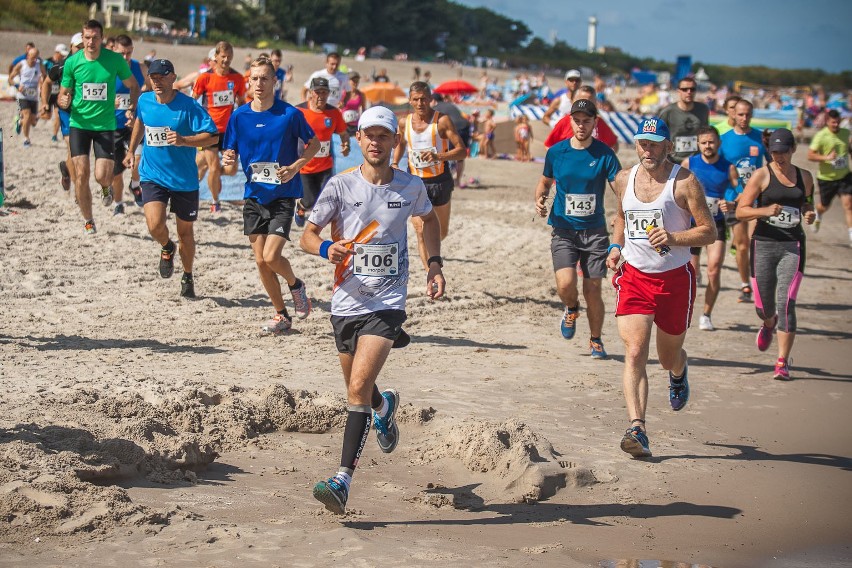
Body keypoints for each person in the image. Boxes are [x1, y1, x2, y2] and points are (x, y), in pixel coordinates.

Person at [299, 105, 446, 515]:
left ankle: (342, 480)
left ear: (393, 141)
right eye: (370, 135)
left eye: (384, 136)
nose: (376, 142)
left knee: (358, 385)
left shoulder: (410, 187)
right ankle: (385, 408)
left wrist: (434, 264)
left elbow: (429, 221)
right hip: (345, 301)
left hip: (388, 302)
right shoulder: (339, 187)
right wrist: (329, 248)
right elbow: (307, 237)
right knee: (358, 389)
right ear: (359, 139)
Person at [607, 117, 716, 457]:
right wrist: (615, 247)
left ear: (669, 146)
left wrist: (673, 237)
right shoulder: (623, 179)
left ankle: (680, 372)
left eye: (654, 143)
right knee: (636, 351)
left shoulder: (685, 182)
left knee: (668, 358)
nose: (647, 149)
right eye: (642, 142)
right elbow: (622, 218)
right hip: (636, 276)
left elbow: (709, 231)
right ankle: (637, 428)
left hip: (674, 280)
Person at [221, 56, 320, 333]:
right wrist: (228, 157)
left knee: (271, 256)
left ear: (275, 82)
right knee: (260, 261)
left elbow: (314, 144)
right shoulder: (239, 116)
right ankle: (281, 315)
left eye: (265, 78)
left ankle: (296, 285)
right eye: (255, 78)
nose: (259, 84)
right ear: (248, 81)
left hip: (283, 194)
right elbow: (230, 151)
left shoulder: (289, 114)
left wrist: (296, 166)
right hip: (254, 195)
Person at [124, 59, 218, 298]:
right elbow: (140, 122)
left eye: (162, 77)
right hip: (152, 174)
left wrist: (185, 140)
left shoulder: (188, 106)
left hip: (184, 180)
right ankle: (167, 247)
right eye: (154, 78)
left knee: (185, 234)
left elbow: (212, 137)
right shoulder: (145, 100)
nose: (157, 82)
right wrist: (131, 150)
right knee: (155, 225)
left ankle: (187, 274)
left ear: (173, 78)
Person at [534, 99, 621, 358]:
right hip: (563, 229)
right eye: (577, 120)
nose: (581, 125)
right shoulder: (556, 152)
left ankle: (595, 340)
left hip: (595, 232)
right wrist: (539, 199)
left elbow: (620, 189)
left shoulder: (604, 154)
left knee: (593, 289)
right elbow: (545, 182)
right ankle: (571, 308)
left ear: (595, 122)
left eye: (586, 120)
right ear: (570, 121)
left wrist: (622, 212)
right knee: (565, 284)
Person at [735, 128, 816, 380]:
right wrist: (764, 211)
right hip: (764, 244)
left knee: (787, 302)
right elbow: (741, 211)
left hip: (793, 245)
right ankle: (768, 322)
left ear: (793, 150)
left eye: (782, 152)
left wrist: (809, 212)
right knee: (764, 306)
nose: (778, 157)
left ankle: (782, 361)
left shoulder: (805, 176)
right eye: (773, 152)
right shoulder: (762, 175)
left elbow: (807, 202)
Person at [58, 20, 140, 235]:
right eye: (87, 37)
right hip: (80, 124)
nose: (91, 42)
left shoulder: (114, 60)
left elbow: (134, 85)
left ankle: (106, 187)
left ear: (102, 39)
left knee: (102, 175)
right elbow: (63, 92)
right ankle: (88, 220)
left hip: (105, 125)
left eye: (95, 37)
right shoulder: (72, 62)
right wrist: (62, 101)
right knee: (82, 173)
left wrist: (132, 106)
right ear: (82, 38)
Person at [392, 81, 466, 268]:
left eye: (424, 99)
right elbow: (401, 144)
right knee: (420, 230)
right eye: (415, 99)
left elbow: (462, 151)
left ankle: (433, 254)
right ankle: (430, 273)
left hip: (440, 181)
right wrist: (394, 162)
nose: (420, 103)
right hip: (415, 182)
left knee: (441, 232)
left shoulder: (442, 121)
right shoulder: (404, 122)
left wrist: (438, 156)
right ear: (409, 100)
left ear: (431, 99)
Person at [683, 126, 739, 331]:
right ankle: (686, 310)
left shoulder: (728, 167)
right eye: (704, 142)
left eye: (711, 142)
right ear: (698, 144)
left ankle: (706, 314)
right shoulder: (689, 163)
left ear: (718, 143)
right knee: (691, 272)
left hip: (716, 224)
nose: (708, 146)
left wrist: (732, 202)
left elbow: (739, 190)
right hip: (691, 227)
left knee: (714, 271)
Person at [720, 99, 766, 303]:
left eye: (748, 114)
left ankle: (758, 284)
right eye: (740, 114)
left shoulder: (760, 138)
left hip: (756, 199)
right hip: (733, 200)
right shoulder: (724, 140)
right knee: (742, 245)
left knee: (756, 243)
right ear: (733, 115)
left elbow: (770, 166)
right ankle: (745, 284)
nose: (744, 118)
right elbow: (718, 169)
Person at [192, 41, 246, 213]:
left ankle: (209, 173)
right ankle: (215, 201)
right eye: (223, 56)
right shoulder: (205, 78)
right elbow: (193, 102)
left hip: (229, 131)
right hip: (209, 130)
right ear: (215, 57)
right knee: (214, 166)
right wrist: (195, 122)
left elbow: (242, 102)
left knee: (230, 169)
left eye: (229, 57)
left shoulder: (237, 79)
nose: (226, 60)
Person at [294, 77, 350, 227]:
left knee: (326, 198)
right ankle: (301, 206)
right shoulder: (299, 111)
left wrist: (346, 145)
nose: (321, 96)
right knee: (310, 201)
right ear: (311, 93)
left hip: (325, 165)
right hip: (304, 165)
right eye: (318, 92)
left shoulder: (334, 113)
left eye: (324, 92)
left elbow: (344, 134)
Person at [108, 35, 147, 215]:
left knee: (137, 162)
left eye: (129, 53)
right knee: (116, 172)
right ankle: (118, 203)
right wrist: (109, 103)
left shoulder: (140, 68)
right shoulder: (106, 70)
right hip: (113, 125)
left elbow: (152, 89)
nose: (125, 58)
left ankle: (135, 185)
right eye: (122, 53)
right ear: (113, 50)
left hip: (134, 124)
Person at [808, 109, 852, 244]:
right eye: (833, 123)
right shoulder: (821, 136)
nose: (836, 125)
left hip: (844, 175)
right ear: (827, 122)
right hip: (827, 178)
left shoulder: (846, 133)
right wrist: (826, 157)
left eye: (838, 122)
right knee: (825, 205)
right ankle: (819, 212)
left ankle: (851, 234)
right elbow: (810, 155)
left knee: (848, 204)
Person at [544, 85, 619, 152]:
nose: (586, 104)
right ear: (574, 101)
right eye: (582, 100)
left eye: (590, 101)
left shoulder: (599, 122)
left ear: (595, 103)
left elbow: (614, 145)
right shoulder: (566, 121)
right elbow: (549, 145)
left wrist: (602, 161)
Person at [659, 76, 710, 163]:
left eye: (692, 89)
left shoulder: (703, 110)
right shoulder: (667, 112)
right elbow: (660, 137)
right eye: (685, 89)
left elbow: (706, 134)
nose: (689, 92)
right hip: (672, 160)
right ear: (678, 91)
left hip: (696, 160)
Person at [431, 92, 471, 187]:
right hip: (465, 126)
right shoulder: (450, 104)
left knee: (447, 154)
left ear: (433, 100)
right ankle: (457, 180)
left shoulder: (436, 108)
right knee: (460, 156)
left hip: (455, 128)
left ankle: (446, 179)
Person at [8, 47, 44, 147]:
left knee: (33, 121)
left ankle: (20, 122)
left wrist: (42, 83)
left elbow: (45, 77)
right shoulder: (21, 64)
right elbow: (10, 78)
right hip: (22, 95)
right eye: (33, 57)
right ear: (28, 56)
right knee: (27, 115)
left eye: (36, 57)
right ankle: (26, 139)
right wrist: (17, 86)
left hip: (34, 96)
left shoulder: (39, 65)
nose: (34, 60)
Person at [42, 44, 68, 143]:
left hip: (58, 93)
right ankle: (27, 118)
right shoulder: (47, 62)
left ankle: (54, 135)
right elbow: (43, 77)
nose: (62, 56)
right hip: (49, 92)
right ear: (56, 52)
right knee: (47, 116)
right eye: (61, 54)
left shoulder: (64, 64)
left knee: (58, 114)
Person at [341, 72, 367, 136]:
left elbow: (364, 110)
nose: (355, 83)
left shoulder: (361, 95)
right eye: (353, 80)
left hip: (355, 125)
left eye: (357, 81)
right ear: (348, 81)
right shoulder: (342, 93)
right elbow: (337, 107)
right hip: (343, 124)